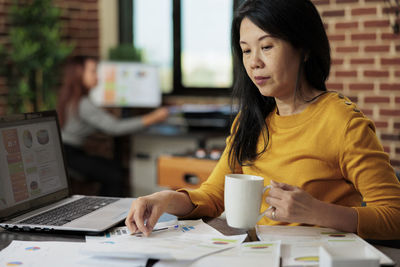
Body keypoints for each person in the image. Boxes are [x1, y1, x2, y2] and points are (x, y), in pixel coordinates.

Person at [125, 0, 400, 239]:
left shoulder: (342, 122)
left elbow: (394, 216)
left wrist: (320, 212)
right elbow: (212, 196)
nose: (254, 62)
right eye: (246, 50)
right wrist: (164, 199)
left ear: (304, 49)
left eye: (266, 46)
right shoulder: (251, 120)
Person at [57, 56, 169, 197]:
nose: (97, 76)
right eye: (93, 71)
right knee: (114, 175)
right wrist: (153, 118)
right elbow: (115, 128)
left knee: (112, 169)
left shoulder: (71, 97)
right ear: (79, 74)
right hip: (69, 155)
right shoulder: (83, 103)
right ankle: (104, 214)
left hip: (65, 152)